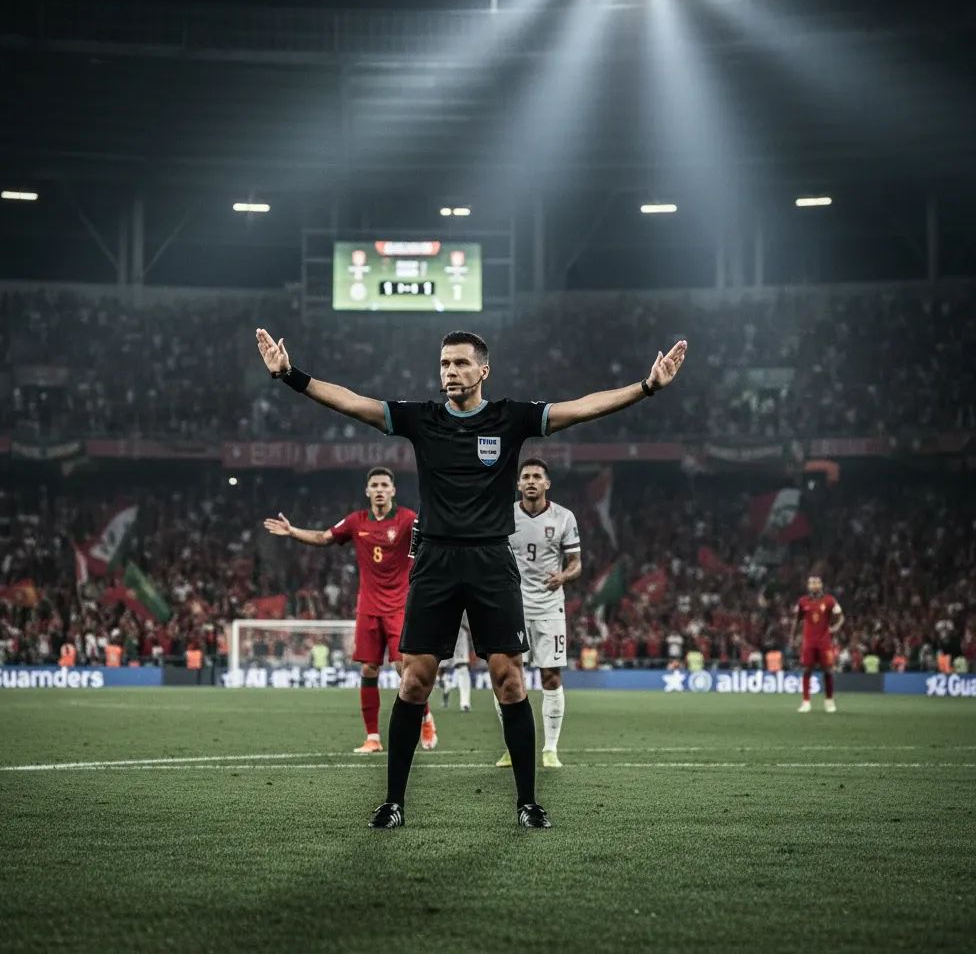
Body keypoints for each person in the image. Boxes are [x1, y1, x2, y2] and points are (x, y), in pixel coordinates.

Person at [255, 326, 687, 829]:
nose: (450, 372)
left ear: (483, 370)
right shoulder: (422, 418)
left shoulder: (512, 418)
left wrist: (647, 386)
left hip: (490, 562)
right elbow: (354, 403)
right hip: (435, 562)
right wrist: (291, 376)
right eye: (444, 364)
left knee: (509, 679)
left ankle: (527, 801)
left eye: (460, 363)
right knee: (415, 681)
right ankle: (394, 801)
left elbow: (583, 407)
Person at [263, 467, 438, 753]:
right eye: (375, 485)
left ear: (393, 490)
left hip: (399, 606)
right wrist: (292, 531)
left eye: (384, 485)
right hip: (368, 606)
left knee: (402, 667)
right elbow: (323, 538)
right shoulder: (357, 521)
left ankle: (426, 717)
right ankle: (372, 738)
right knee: (369, 668)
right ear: (367, 491)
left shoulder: (408, 520)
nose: (380, 489)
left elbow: (429, 543)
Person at [494, 459, 581, 770]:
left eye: (537, 477)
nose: (531, 481)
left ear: (547, 484)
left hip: (549, 605)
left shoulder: (563, 517)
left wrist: (564, 576)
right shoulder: (504, 515)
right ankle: (511, 747)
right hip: (510, 605)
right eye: (525, 477)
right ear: (518, 484)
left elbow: (576, 563)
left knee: (551, 675)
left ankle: (550, 750)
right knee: (506, 677)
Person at [790, 574, 844, 713]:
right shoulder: (802, 601)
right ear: (808, 586)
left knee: (828, 671)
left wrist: (835, 627)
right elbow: (797, 620)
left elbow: (841, 617)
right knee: (807, 670)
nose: (814, 585)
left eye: (817, 583)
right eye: (811, 583)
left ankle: (829, 701)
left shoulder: (830, 600)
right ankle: (806, 702)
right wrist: (792, 637)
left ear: (821, 585)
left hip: (824, 642)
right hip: (808, 642)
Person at [438, 614, 473, 713]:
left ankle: (465, 703)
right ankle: (446, 686)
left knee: (462, 667)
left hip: (460, 630)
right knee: (440, 670)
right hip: (442, 630)